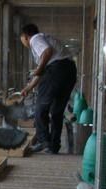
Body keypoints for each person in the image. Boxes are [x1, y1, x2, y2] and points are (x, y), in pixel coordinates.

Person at [20, 23, 77, 154]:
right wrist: (28, 87)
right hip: (69, 71)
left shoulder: (35, 39)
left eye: (21, 39)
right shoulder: (46, 39)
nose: (23, 42)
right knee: (57, 111)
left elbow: (47, 52)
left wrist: (39, 69)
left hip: (56, 71)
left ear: (25, 36)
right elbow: (43, 70)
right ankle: (54, 146)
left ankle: (43, 141)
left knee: (40, 107)